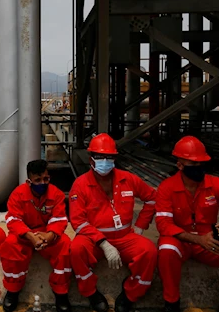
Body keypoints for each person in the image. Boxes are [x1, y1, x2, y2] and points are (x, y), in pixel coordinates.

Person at [156, 136, 219, 312]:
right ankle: (171, 302)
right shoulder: (166, 188)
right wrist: (197, 240)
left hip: (210, 240)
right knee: (166, 250)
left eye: (201, 164)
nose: (198, 168)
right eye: (193, 164)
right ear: (180, 165)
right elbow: (164, 224)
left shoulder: (214, 184)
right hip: (181, 239)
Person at [69, 133, 157, 312]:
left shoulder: (128, 179)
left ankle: (131, 293)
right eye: (99, 157)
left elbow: (152, 198)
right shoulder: (80, 185)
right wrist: (103, 243)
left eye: (109, 157)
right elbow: (78, 221)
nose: (104, 161)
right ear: (91, 158)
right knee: (76, 249)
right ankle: (91, 293)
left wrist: (140, 226)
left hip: (125, 237)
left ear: (115, 158)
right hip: (94, 240)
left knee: (149, 252)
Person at [0, 159, 72, 312]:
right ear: (29, 181)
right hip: (25, 236)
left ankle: (61, 293)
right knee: (10, 245)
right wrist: (30, 236)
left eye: (46, 179)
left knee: (65, 245)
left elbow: (59, 219)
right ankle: (13, 290)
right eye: (37, 180)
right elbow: (13, 220)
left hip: (48, 235)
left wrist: (49, 236)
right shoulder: (18, 194)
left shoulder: (56, 194)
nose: (42, 183)